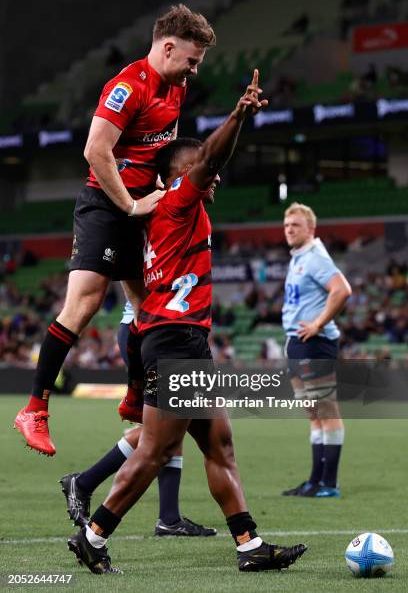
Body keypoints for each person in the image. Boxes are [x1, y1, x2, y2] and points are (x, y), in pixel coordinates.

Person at [66, 71, 307, 574]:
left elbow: (211, 162)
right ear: (180, 173)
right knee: (155, 451)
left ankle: (248, 545)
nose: (211, 175)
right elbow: (213, 157)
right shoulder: (177, 199)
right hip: (175, 341)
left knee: (219, 444)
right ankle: (93, 536)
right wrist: (239, 114)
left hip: (182, 341)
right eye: (201, 169)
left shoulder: (170, 210)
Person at [14, 4, 216, 456]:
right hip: (107, 204)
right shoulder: (128, 87)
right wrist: (129, 204)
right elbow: (95, 150)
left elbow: (163, 150)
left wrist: (163, 188)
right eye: (191, 60)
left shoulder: (174, 89)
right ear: (168, 47)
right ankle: (34, 407)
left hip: (141, 206)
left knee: (149, 307)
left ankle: (134, 394)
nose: (194, 71)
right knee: (84, 303)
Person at [59, 300, 216, 538]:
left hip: (160, 332)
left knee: (173, 428)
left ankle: (169, 517)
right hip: (152, 332)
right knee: (167, 427)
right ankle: (84, 484)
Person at [281, 203, 352, 498]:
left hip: (315, 342)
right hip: (297, 342)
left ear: (311, 229)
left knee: (326, 410)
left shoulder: (315, 257)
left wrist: (318, 324)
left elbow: (342, 290)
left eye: (295, 225)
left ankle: (329, 483)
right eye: (286, 225)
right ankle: (314, 481)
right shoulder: (299, 257)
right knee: (313, 413)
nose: (289, 230)